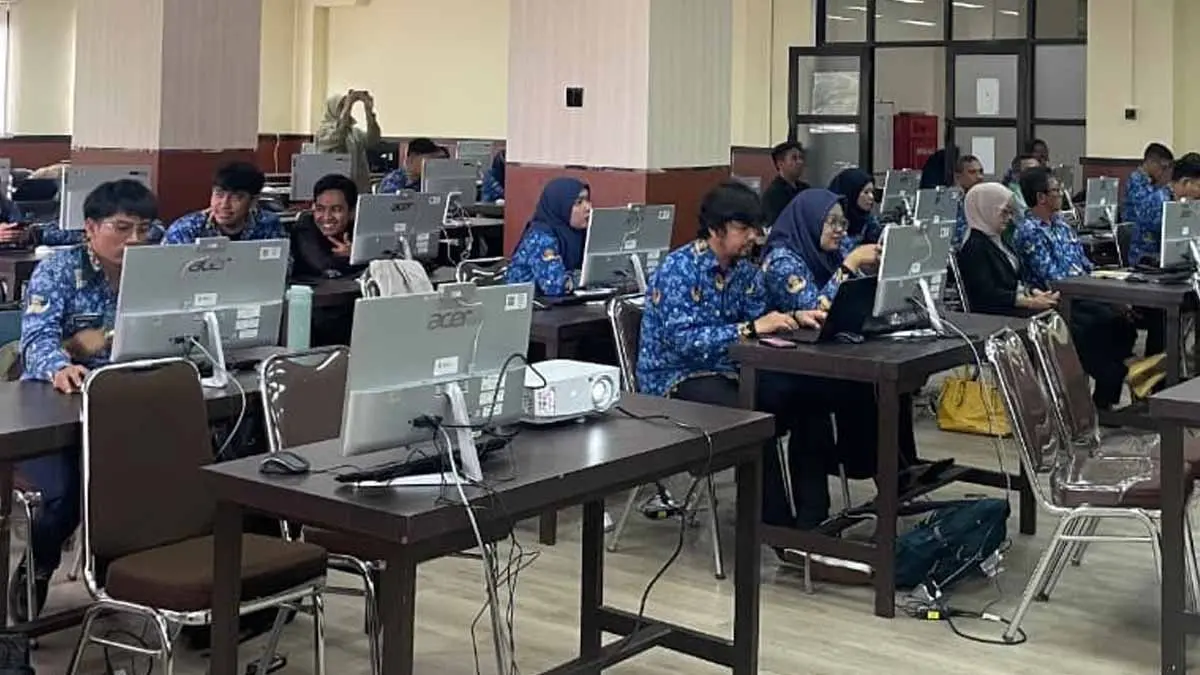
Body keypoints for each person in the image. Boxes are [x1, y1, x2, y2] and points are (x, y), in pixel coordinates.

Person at [637, 182, 843, 537]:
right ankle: (776, 530)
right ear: (715, 229)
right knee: (754, 420)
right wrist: (750, 328)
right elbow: (684, 342)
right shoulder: (678, 269)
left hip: (733, 371)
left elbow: (759, 323)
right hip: (676, 380)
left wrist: (792, 318)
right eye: (743, 228)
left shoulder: (745, 271)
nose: (753, 236)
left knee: (810, 399)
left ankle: (815, 524)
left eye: (756, 227)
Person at [14, 179, 158, 620]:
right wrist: (61, 364)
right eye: (122, 228)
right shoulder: (59, 269)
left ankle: (124, 576)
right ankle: (37, 568)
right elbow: (36, 338)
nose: (135, 239)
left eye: (144, 229)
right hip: (55, 401)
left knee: (159, 479)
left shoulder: (155, 267)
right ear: (91, 228)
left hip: (127, 397)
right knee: (63, 495)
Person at [1012, 166, 1136, 409]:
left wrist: (1105, 280)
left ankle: (1107, 392)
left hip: (1084, 293)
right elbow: (1051, 277)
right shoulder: (1029, 231)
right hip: (1055, 300)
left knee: (1125, 321)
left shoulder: (1062, 224)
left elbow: (1084, 263)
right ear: (1041, 197)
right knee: (1098, 324)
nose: (1061, 194)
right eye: (1056, 190)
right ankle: (1105, 383)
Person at [955, 182, 1059, 316]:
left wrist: (1033, 292)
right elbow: (986, 295)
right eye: (1004, 212)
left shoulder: (998, 238)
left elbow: (1012, 281)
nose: (1009, 218)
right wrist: (1029, 302)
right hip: (995, 315)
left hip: (1012, 307)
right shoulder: (974, 247)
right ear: (987, 210)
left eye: (1010, 212)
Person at [505, 177, 592, 297]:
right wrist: (583, 279)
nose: (588, 207)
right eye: (579, 202)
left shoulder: (576, 234)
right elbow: (555, 285)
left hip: (555, 305)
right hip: (523, 304)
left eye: (588, 200)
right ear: (561, 206)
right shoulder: (541, 237)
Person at [164, 162, 284, 244]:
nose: (224, 205)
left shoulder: (268, 225)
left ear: (253, 201)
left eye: (236, 197)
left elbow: (283, 266)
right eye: (219, 195)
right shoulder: (186, 229)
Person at [1128, 154, 1200, 267]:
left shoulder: (1181, 202)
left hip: (1173, 264)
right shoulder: (1158, 202)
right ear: (1186, 183)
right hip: (1146, 264)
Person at [290, 173, 364, 280]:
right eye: (320, 209)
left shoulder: (362, 229)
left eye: (336, 210)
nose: (327, 217)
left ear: (352, 212)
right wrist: (356, 257)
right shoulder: (304, 228)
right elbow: (325, 268)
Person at [314, 90, 382, 194]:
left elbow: (373, 139)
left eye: (345, 106)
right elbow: (339, 135)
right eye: (341, 106)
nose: (346, 109)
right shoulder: (323, 132)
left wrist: (368, 111)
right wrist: (349, 104)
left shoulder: (354, 132)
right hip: (335, 190)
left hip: (357, 188)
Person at [1121, 142, 1174, 232]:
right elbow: (1144, 212)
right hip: (1135, 233)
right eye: (1163, 167)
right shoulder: (1136, 180)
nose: (1163, 172)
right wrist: (1167, 190)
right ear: (1151, 162)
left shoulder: (1151, 181)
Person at [828, 168, 881, 254]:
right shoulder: (833, 225)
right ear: (852, 193)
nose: (871, 197)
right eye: (866, 192)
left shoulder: (870, 222)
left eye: (872, 192)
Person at [761, 141, 810, 226]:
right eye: (794, 158)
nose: (800, 162)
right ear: (780, 163)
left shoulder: (806, 189)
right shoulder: (773, 194)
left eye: (801, 158)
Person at [378, 138, 444, 194]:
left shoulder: (428, 181)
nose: (433, 165)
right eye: (429, 160)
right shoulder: (394, 180)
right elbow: (390, 201)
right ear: (412, 159)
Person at [952, 154, 985, 249]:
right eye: (972, 172)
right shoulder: (951, 204)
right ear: (958, 177)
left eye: (981, 172)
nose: (979, 177)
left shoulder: (985, 201)